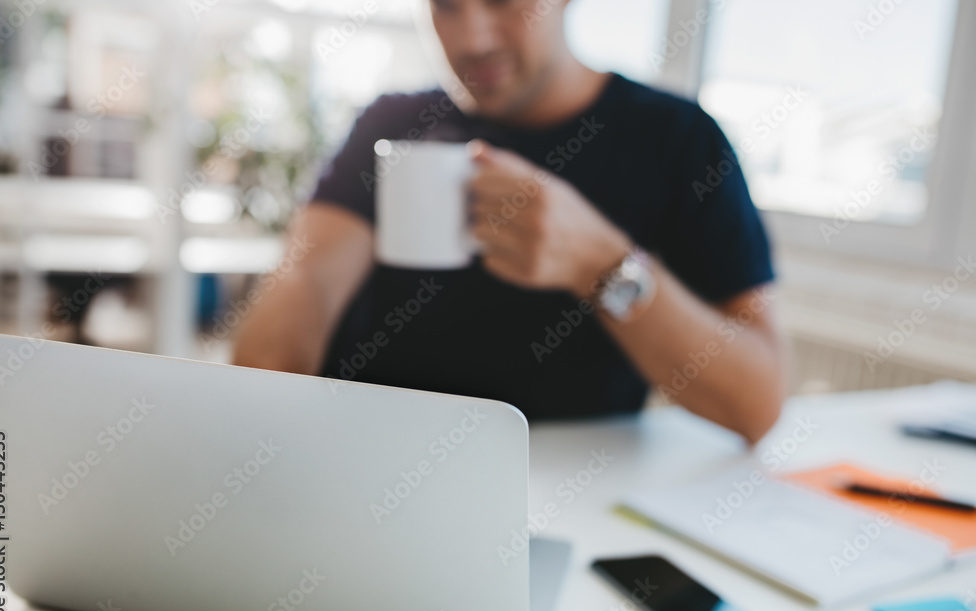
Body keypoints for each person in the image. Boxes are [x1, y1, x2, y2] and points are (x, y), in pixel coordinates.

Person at [233, 0, 786, 443]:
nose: (472, 39)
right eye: (446, 5)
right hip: (372, 468)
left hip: (567, 490)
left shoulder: (679, 141)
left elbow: (757, 404)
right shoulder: (392, 123)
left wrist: (604, 265)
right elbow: (305, 286)